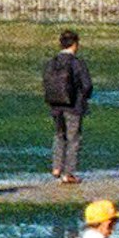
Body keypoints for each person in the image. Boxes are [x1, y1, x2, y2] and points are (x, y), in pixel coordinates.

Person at [40, 30, 94, 185]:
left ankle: (56, 167)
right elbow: (87, 85)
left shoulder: (52, 62)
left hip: (55, 104)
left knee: (59, 135)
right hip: (73, 105)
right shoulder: (77, 63)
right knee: (73, 138)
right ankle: (68, 173)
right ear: (75, 44)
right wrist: (84, 98)